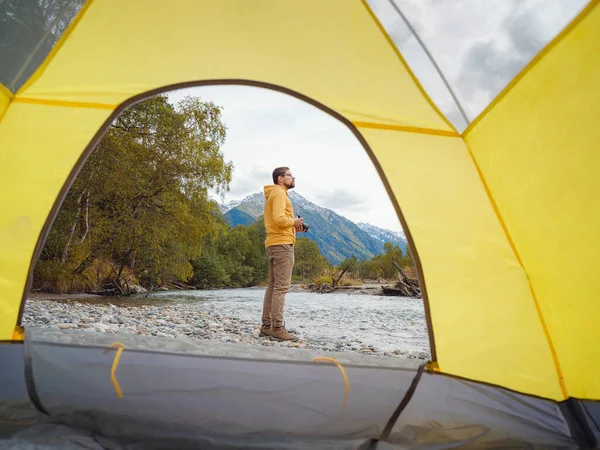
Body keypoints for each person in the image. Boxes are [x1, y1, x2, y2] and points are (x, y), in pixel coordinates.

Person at [261, 167, 305, 341]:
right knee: (281, 288)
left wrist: (294, 227)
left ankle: (266, 327)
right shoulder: (279, 193)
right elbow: (279, 219)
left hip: (274, 243)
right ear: (280, 178)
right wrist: (293, 222)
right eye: (289, 175)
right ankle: (277, 328)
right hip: (282, 245)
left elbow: (277, 221)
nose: (293, 177)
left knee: (272, 287)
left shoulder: (274, 194)